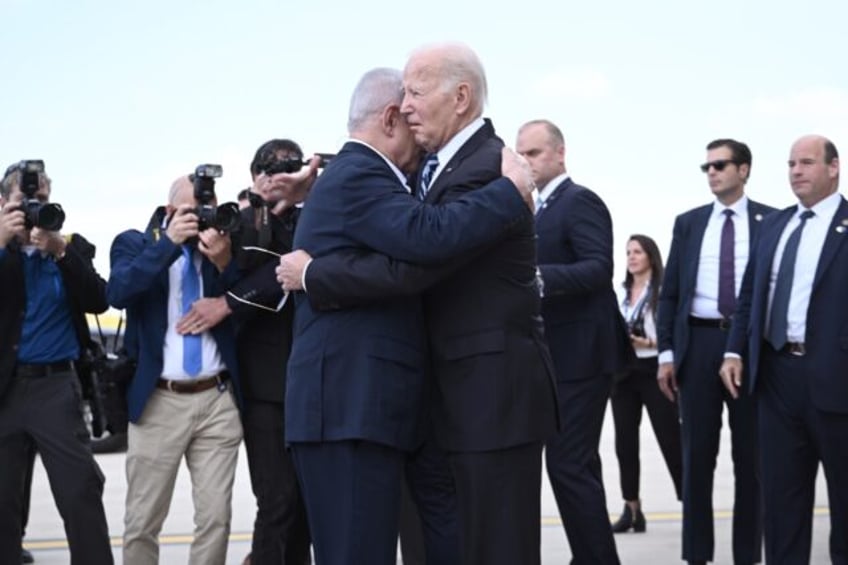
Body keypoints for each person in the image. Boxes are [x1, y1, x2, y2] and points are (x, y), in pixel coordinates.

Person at [281, 45, 558, 565]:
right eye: (402, 95)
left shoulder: (484, 166)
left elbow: (422, 254)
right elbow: (419, 247)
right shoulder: (383, 175)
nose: (407, 106)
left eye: (416, 91)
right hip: (357, 409)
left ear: (460, 98)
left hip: (479, 401)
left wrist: (314, 273)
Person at [720, 135, 845, 563]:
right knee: (782, 505)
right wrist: (734, 351)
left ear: (834, 168)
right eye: (791, 163)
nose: (795, 171)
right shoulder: (775, 225)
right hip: (775, 379)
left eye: (807, 162)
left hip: (836, 379)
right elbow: (750, 293)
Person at [107, 173, 243, 565]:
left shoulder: (219, 245)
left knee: (216, 518)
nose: (201, 217)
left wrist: (224, 260)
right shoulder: (135, 242)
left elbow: (243, 302)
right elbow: (118, 292)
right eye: (191, 210)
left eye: (207, 209)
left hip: (216, 400)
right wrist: (167, 244)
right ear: (169, 212)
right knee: (143, 520)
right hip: (159, 401)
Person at [516, 119, 629, 564]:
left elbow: (598, 269)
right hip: (558, 359)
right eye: (521, 154)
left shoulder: (579, 201)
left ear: (560, 154)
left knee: (567, 465)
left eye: (535, 153)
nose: (526, 161)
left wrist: (536, 279)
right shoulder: (535, 209)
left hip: (582, 358)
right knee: (577, 465)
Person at [656, 138, 775, 565]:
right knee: (697, 458)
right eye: (706, 167)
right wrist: (667, 354)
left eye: (720, 165)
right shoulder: (688, 224)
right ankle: (696, 556)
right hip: (698, 344)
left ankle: (747, 556)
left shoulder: (772, 222)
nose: (712, 173)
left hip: (749, 349)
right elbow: (669, 295)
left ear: (744, 169)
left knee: (751, 460)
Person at [0, 161, 114, 565]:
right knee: (4, 504)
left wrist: (61, 251)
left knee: (80, 492)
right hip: (6, 391)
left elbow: (99, 299)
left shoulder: (70, 247)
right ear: (2, 204)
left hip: (56, 390)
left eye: (42, 200)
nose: (34, 208)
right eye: (24, 201)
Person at [610, 234, 683, 533]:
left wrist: (648, 341)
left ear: (650, 256)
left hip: (655, 367)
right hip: (625, 371)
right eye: (628, 252)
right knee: (625, 442)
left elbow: (673, 333)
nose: (631, 257)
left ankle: (688, 499)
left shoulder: (663, 291)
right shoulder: (621, 292)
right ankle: (632, 508)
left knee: (670, 438)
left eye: (637, 251)